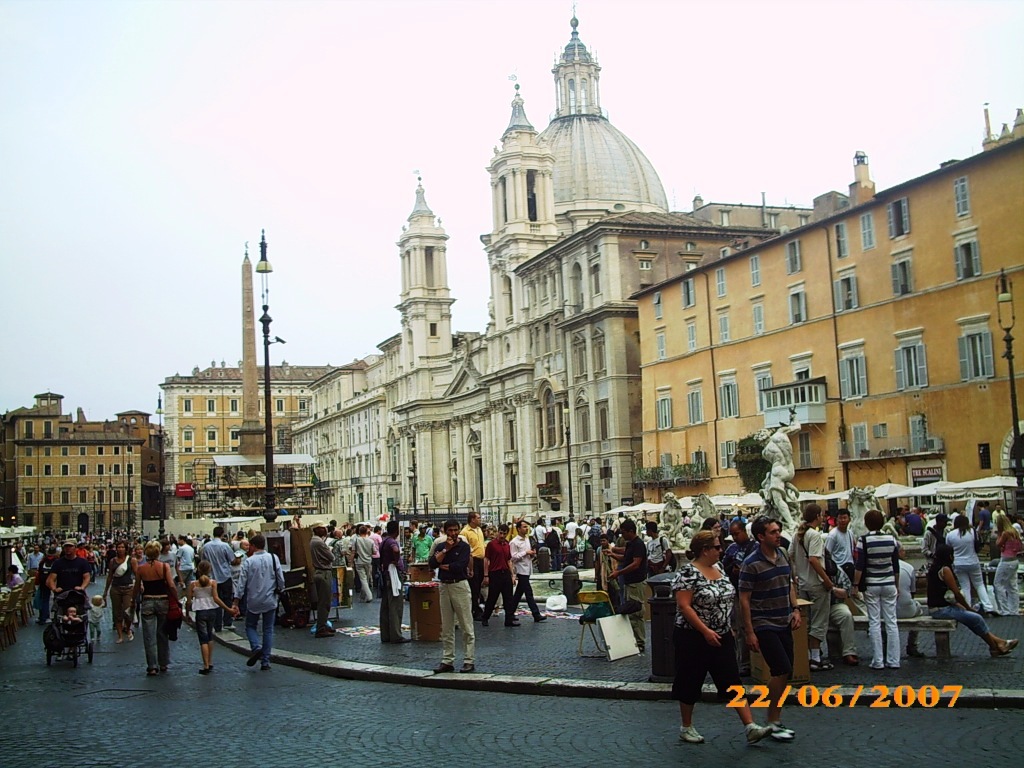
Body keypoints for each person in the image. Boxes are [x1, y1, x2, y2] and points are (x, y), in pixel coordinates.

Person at [672, 530, 772, 745]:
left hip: (722, 633)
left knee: (731, 680)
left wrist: (728, 625)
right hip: (693, 636)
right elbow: (684, 606)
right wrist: (705, 630)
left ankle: (750, 726)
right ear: (705, 550)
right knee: (690, 681)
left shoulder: (718, 569)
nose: (721, 550)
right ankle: (686, 726)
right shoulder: (688, 573)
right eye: (717, 547)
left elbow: (726, 598)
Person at [738, 517, 800, 742]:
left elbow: (789, 583)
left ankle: (775, 718)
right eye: (773, 532)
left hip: (784, 619)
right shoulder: (751, 563)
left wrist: (795, 609)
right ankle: (771, 719)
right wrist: (750, 631)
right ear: (761, 537)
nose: (778, 534)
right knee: (780, 668)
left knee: (787, 671)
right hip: (763, 623)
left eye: (779, 531)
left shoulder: (783, 554)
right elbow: (744, 599)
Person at [926, 544, 1017, 657]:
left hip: (939, 607)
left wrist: (961, 606)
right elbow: (957, 593)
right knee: (975, 617)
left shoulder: (934, 569)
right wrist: (968, 608)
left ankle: (997, 645)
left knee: (972, 619)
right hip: (941, 610)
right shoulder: (945, 570)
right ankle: (997, 644)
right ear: (949, 556)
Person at [788, 504, 835, 671]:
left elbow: (790, 555)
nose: (822, 518)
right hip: (816, 583)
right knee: (819, 621)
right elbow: (814, 560)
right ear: (817, 516)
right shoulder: (814, 535)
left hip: (802, 583)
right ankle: (815, 657)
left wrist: (795, 576)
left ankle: (806, 656)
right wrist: (827, 580)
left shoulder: (797, 535)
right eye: (821, 515)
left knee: (805, 621)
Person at [852, 509, 900, 669]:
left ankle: (878, 661)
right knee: (891, 622)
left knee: (874, 622)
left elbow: (860, 565)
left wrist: (855, 585)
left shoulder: (863, 540)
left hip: (872, 584)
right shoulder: (891, 539)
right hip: (889, 583)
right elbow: (896, 565)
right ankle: (894, 660)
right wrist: (896, 585)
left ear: (866, 523)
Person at [233, 533, 286, 672]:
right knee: (268, 629)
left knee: (250, 626)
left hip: (253, 599)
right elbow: (280, 578)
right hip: (270, 598)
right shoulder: (273, 558)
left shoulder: (249, 562)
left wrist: (236, 602)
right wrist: (281, 589)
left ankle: (256, 647)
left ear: (254, 546)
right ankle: (265, 661)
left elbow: (241, 584)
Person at [429, 518, 476, 673]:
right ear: (445, 531)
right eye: (450, 530)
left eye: (456, 530)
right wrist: (445, 551)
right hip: (444, 586)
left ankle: (469, 660)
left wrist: (445, 565)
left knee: (466, 624)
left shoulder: (464, 546)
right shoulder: (441, 546)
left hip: (459, 585)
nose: (454, 533)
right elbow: (432, 563)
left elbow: (460, 566)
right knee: (447, 625)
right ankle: (447, 660)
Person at [133, 540, 178, 676]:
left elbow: (136, 587)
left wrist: (132, 601)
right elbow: (171, 585)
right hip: (162, 600)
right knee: (162, 633)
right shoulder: (164, 567)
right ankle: (163, 663)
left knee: (148, 635)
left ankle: (152, 666)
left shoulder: (141, 569)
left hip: (147, 600)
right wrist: (176, 598)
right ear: (158, 553)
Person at [186, 560, 236, 674]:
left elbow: (188, 602)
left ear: (198, 570)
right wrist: (228, 609)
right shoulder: (213, 582)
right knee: (209, 636)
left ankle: (205, 665)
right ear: (210, 570)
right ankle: (210, 661)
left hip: (200, 612)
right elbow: (216, 599)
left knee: (203, 639)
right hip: (212, 611)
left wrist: (187, 614)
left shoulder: (193, 584)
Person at [606, 519, 647, 652]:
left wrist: (618, 573)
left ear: (631, 531)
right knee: (631, 612)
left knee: (636, 612)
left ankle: (640, 642)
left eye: (623, 532)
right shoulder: (630, 544)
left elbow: (635, 564)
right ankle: (635, 640)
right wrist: (613, 554)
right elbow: (626, 559)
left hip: (636, 582)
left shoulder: (639, 544)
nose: (622, 535)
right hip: (630, 583)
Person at [722, 519, 757, 675]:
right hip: (737, 591)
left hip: (754, 592)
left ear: (744, 531)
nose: (735, 537)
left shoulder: (756, 548)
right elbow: (723, 568)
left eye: (737, 534)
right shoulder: (731, 549)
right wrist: (732, 569)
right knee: (741, 627)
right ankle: (744, 661)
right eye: (732, 535)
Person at [947, 513, 995, 614]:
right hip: (973, 561)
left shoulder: (950, 534)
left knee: (965, 586)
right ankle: (988, 606)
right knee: (979, 585)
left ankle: (967, 607)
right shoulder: (972, 532)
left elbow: (948, 548)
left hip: (958, 563)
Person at [379, 520, 410, 643]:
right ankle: (396, 635)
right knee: (395, 605)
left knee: (386, 606)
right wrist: (397, 561)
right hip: (393, 574)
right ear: (397, 530)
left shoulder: (384, 541)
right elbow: (396, 550)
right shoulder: (392, 542)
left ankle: (386, 634)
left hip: (386, 573)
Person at [481, 523, 518, 627]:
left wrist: (512, 575)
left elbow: (509, 560)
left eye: (504, 534)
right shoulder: (491, 544)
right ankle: (485, 617)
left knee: (508, 598)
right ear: (498, 532)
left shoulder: (507, 544)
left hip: (505, 572)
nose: (502, 536)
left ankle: (509, 620)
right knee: (492, 597)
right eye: (500, 533)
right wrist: (486, 575)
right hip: (495, 573)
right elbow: (486, 559)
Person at [509, 519, 545, 624]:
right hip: (520, 569)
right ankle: (536, 614)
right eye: (524, 527)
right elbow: (512, 557)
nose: (526, 528)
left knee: (518, 594)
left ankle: (510, 613)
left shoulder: (527, 539)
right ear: (518, 529)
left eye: (527, 527)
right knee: (528, 593)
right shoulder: (514, 542)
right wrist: (525, 552)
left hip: (527, 568)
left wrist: (532, 554)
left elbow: (527, 553)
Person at [102, 541, 136, 643]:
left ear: (126, 549)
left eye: (122, 547)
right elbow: (110, 577)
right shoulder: (113, 561)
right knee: (116, 613)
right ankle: (120, 635)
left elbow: (137, 574)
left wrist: (140, 585)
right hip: (116, 588)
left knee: (127, 611)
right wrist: (105, 591)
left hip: (128, 588)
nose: (120, 549)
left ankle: (128, 628)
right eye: (119, 547)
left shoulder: (131, 560)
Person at [896, 547, 924, 658]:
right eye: (902, 550)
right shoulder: (909, 567)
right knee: (919, 610)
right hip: (907, 609)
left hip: (887, 610)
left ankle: (885, 644)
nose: (905, 552)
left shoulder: (883, 567)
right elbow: (913, 592)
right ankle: (912, 645)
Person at [993, 510, 1022, 616]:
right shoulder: (1014, 531)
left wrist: (999, 535)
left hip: (1005, 561)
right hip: (1014, 560)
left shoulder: (1004, 533)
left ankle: (1004, 609)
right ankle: (1014, 609)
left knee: (998, 584)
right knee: (1012, 585)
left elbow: (997, 544)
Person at [309, 524, 336, 638]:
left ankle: (323, 625)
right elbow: (331, 557)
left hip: (319, 572)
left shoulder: (313, 541)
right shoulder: (319, 542)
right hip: (324, 572)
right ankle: (321, 628)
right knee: (325, 602)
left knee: (323, 601)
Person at [461, 512, 486, 619]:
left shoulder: (479, 529)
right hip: (473, 560)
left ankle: (477, 606)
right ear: (472, 519)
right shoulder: (465, 532)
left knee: (479, 585)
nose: (480, 520)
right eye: (478, 518)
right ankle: (475, 609)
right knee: (474, 586)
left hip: (481, 560)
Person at [824, 509, 856, 582]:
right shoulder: (833, 535)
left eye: (845, 518)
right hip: (838, 569)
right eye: (840, 518)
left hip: (850, 567)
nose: (843, 520)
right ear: (837, 520)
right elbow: (827, 553)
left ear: (849, 519)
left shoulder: (850, 533)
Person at [35, 547, 59, 624]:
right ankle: (49, 617)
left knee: (43, 599)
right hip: (53, 582)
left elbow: (39, 571)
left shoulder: (43, 561)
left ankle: (42, 616)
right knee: (54, 599)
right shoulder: (56, 561)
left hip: (43, 582)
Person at [352, 525, 375, 603]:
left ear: (359, 532)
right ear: (367, 532)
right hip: (368, 561)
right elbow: (374, 552)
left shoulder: (356, 540)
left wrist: (351, 562)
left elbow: (353, 551)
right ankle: (363, 596)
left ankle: (369, 596)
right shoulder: (371, 541)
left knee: (363, 579)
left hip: (359, 561)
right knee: (367, 579)